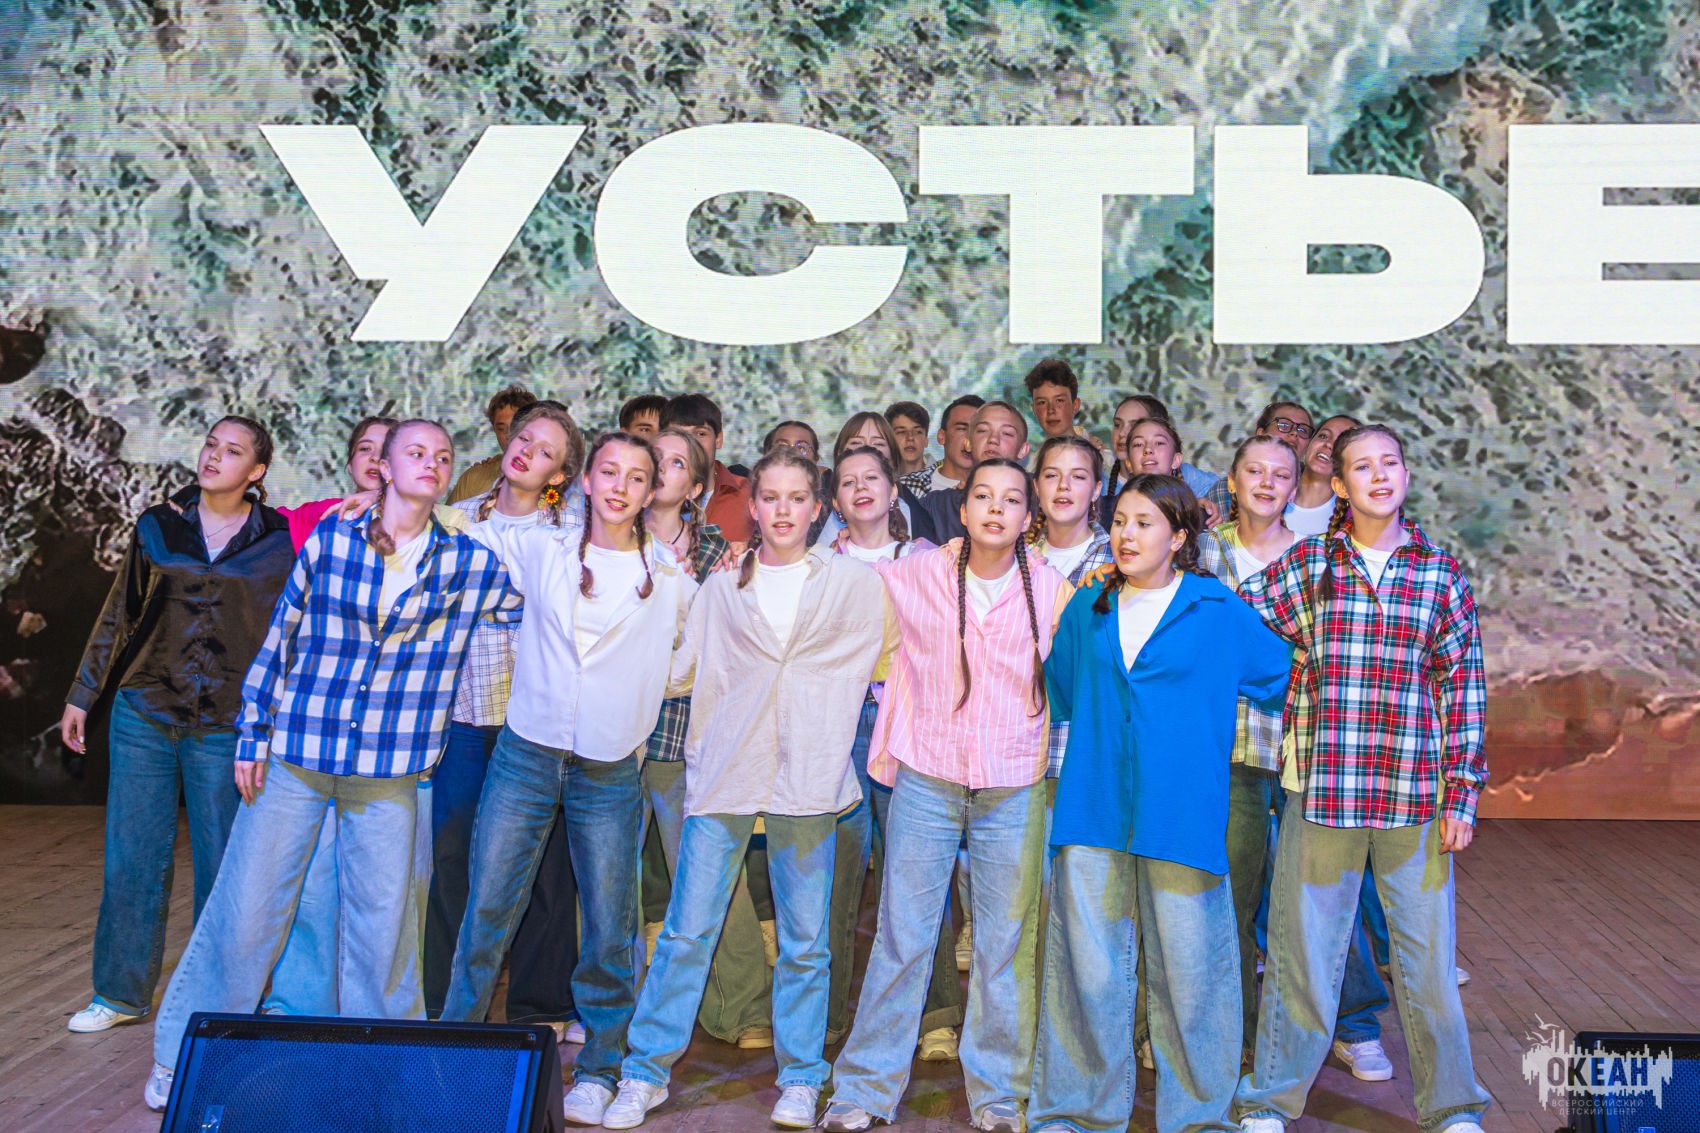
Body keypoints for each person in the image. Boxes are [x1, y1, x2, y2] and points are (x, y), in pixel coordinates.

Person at [142, 419, 521, 1111]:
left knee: (385, 930)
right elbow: (283, 634)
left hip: (388, 768)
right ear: (385, 468)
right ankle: (181, 1057)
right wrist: (253, 731)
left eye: (442, 456)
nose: (432, 463)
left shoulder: (468, 561)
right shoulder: (335, 538)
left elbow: (531, 605)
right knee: (247, 912)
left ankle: (386, 1072)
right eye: (416, 452)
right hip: (299, 753)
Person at [602, 446, 899, 1130]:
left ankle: (801, 1076)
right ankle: (645, 1071)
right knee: (687, 931)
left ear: (817, 507)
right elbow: (679, 671)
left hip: (812, 777)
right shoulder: (721, 588)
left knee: (806, 941)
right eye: (771, 496)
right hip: (726, 773)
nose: (784, 509)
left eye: (797, 497)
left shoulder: (856, 585)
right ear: (753, 506)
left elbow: (889, 659)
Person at [1233, 424, 1490, 1133]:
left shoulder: (1439, 573)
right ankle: (1269, 1100)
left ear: (1406, 475)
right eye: (1362, 467)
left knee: (1427, 964)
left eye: (1390, 463)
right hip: (1325, 792)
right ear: (1341, 485)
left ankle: (1452, 1106)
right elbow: (1235, 623)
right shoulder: (1312, 562)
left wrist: (1463, 793)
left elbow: (1463, 688)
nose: (1379, 475)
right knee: (1303, 958)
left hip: (1415, 795)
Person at [440, 431, 698, 1127]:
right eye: (608, 471)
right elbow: (463, 533)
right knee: (488, 909)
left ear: (651, 491)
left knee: (610, 923)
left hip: (609, 768)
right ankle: (455, 1052)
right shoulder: (543, 546)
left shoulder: (671, 577)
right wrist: (384, 502)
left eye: (636, 476)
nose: (619, 486)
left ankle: (601, 1068)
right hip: (526, 754)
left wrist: (634, 699)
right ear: (586, 479)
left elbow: (690, 658)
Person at [1032, 473, 1290, 1133]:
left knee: (1192, 972)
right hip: (1093, 807)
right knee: (1088, 971)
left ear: (1178, 537)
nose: (1126, 534)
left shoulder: (1215, 608)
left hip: (1182, 814)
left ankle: (1200, 1117)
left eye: (1144, 522)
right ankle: (1077, 1111)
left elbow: (1280, 673)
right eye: (1120, 520)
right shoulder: (1089, 608)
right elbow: (1062, 690)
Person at [824, 458, 1072, 1133]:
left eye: (1012, 499)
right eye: (983, 496)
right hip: (929, 776)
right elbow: (846, 596)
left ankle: (999, 1094)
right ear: (962, 510)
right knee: (903, 933)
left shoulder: (1053, 589)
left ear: (1029, 517)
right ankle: (864, 1088)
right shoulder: (916, 574)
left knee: (1003, 944)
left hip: (1013, 783)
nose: (995, 508)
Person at [60, 416, 294, 1035]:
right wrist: (83, 694)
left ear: (257, 471)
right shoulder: (158, 526)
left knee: (225, 866)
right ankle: (119, 994)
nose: (214, 456)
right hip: (145, 711)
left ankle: (222, 998)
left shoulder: (280, 541)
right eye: (211, 444)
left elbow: (290, 635)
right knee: (133, 859)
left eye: (232, 451)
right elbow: (118, 614)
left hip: (228, 724)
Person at [1199, 434, 1395, 1078]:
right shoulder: (1200, 550)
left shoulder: (1318, 558)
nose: (1266, 483)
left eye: (1280, 474)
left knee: (1327, 898)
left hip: (1311, 751)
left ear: (1296, 487)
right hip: (1229, 749)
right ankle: (1240, 1034)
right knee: (1232, 898)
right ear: (1231, 480)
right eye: (1253, 471)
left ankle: (1356, 1023)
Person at [425, 402, 585, 1020]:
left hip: (538, 724)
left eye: (545, 451)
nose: (526, 452)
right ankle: (445, 1005)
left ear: (559, 475)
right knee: (454, 857)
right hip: (465, 716)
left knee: (544, 867)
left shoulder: (570, 533)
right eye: (524, 438)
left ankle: (541, 1006)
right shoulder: (457, 519)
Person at [818, 446, 960, 1058]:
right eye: (847, 482)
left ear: (893, 489)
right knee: (836, 875)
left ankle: (936, 1016)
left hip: (907, 723)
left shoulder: (925, 559)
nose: (861, 488)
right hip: (839, 726)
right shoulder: (820, 564)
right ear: (834, 501)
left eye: (871, 478)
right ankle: (826, 1019)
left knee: (918, 871)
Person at [637, 427, 774, 1050]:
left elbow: (734, 644)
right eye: (651, 458)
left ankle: (742, 1006)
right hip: (606, 739)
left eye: (675, 463)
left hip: (682, 734)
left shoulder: (721, 553)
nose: (657, 469)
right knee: (604, 881)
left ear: (696, 486)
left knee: (711, 876)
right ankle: (611, 1009)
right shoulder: (604, 539)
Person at [815, 412, 937, 546]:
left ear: (892, 458)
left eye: (878, 444)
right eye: (856, 442)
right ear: (840, 454)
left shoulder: (910, 509)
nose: (866, 449)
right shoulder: (818, 502)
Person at [918, 401, 1032, 542]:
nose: (993, 439)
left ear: (1023, 449)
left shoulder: (1040, 498)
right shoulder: (936, 505)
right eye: (983, 430)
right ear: (968, 443)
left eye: (1007, 433)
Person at [661, 393, 751, 543]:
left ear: (718, 439)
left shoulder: (750, 495)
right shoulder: (645, 494)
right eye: (679, 435)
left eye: (700, 434)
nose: (690, 444)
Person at [1201, 401, 1313, 522]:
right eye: (1284, 425)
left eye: (1303, 430)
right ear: (1261, 434)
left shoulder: (1317, 493)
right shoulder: (1227, 489)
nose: (1295, 433)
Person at [1105, 394, 1221, 504]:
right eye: (1117, 425)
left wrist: (1195, 506)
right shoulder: (1101, 482)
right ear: (1129, 464)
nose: (1122, 433)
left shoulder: (1189, 477)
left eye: (1135, 425)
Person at [448, 384, 538, 503]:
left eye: (516, 427)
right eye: (501, 429)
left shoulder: (553, 477)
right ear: (494, 430)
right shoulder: (473, 479)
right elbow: (446, 515)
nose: (509, 435)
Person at [1285, 414, 1358, 537]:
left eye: (1341, 443)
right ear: (1309, 443)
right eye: (1323, 436)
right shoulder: (1271, 490)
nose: (1329, 444)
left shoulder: (1353, 520)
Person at [1023, 358, 1110, 461]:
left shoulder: (1100, 457)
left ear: (1075, 405)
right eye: (1042, 402)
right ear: (1034, 410)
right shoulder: (1033, 464)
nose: (1051, 410)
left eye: (1059, 400)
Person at [912, 394, 985, 496]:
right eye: (962, 429)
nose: (970, 438)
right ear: (941, 437)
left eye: (980, 431)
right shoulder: (906, 487)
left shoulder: (1003, 488)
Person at [884, 401, 932, 485]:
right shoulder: (878, 480)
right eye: (901, 432)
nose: (910, 438)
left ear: (926, 440)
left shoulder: (946, 478)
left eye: (917, 432)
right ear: (888, 440)